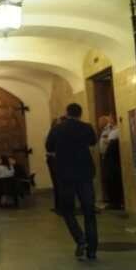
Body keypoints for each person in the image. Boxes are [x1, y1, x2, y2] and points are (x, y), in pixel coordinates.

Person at [46, 103, 98, 260]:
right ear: (80, 114)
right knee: (89, 212)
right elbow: (93, 142)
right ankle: (92, 250)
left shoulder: (57, 129)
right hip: (85, 174)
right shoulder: (86, 127)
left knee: (68, 211)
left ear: (67, 113)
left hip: (65, 175)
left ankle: (80, 239)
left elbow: (49, 147)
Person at [45, 117, 63, 212]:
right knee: (57, 183)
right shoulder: (54, 133)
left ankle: (59, 206)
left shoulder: (53, 133)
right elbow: (49, 147)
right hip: (54, 160)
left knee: (58, 184)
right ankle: (59, 206)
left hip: (54, 159)